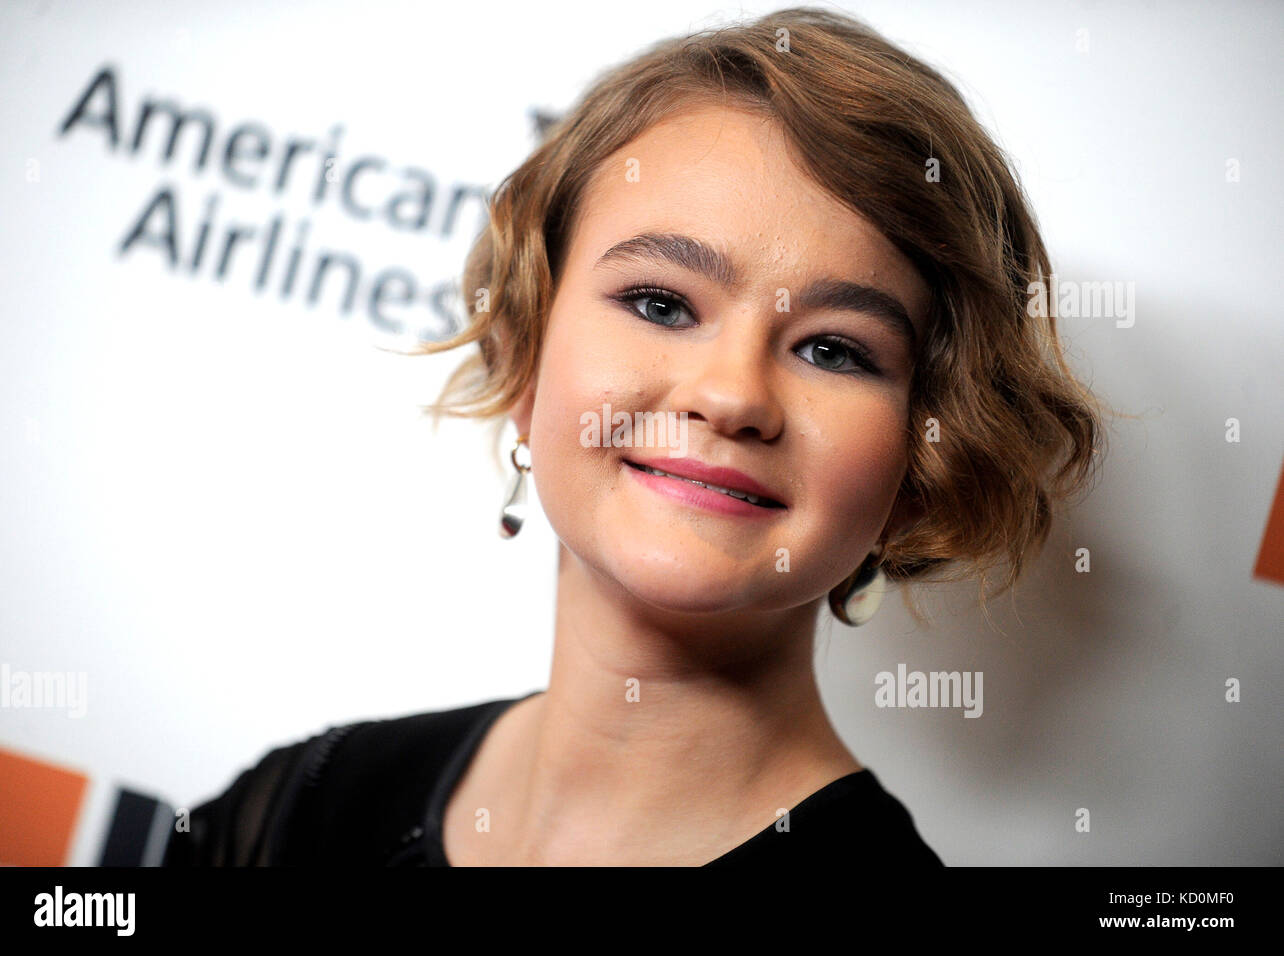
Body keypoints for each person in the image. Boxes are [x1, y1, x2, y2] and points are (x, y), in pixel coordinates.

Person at [164, 6, 1107, 867]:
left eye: (834, 349)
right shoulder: (305, 803)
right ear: (523, 355)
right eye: (660, 302)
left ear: (923, 459)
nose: (733, 394)